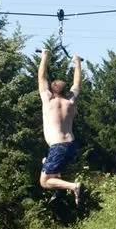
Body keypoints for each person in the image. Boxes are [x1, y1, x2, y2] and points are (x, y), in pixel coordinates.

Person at [38, 49, 83, 205]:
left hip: (58, 147)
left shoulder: (48, 101)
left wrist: (45, 56)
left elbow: (41, 78)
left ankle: (73, 186)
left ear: (52, 90)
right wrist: (77, 63)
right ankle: (59, 191)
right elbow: (77, 84)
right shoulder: (71, 101)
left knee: (44, 182)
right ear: (65, 90)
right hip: (71, 145)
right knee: (46, 161)